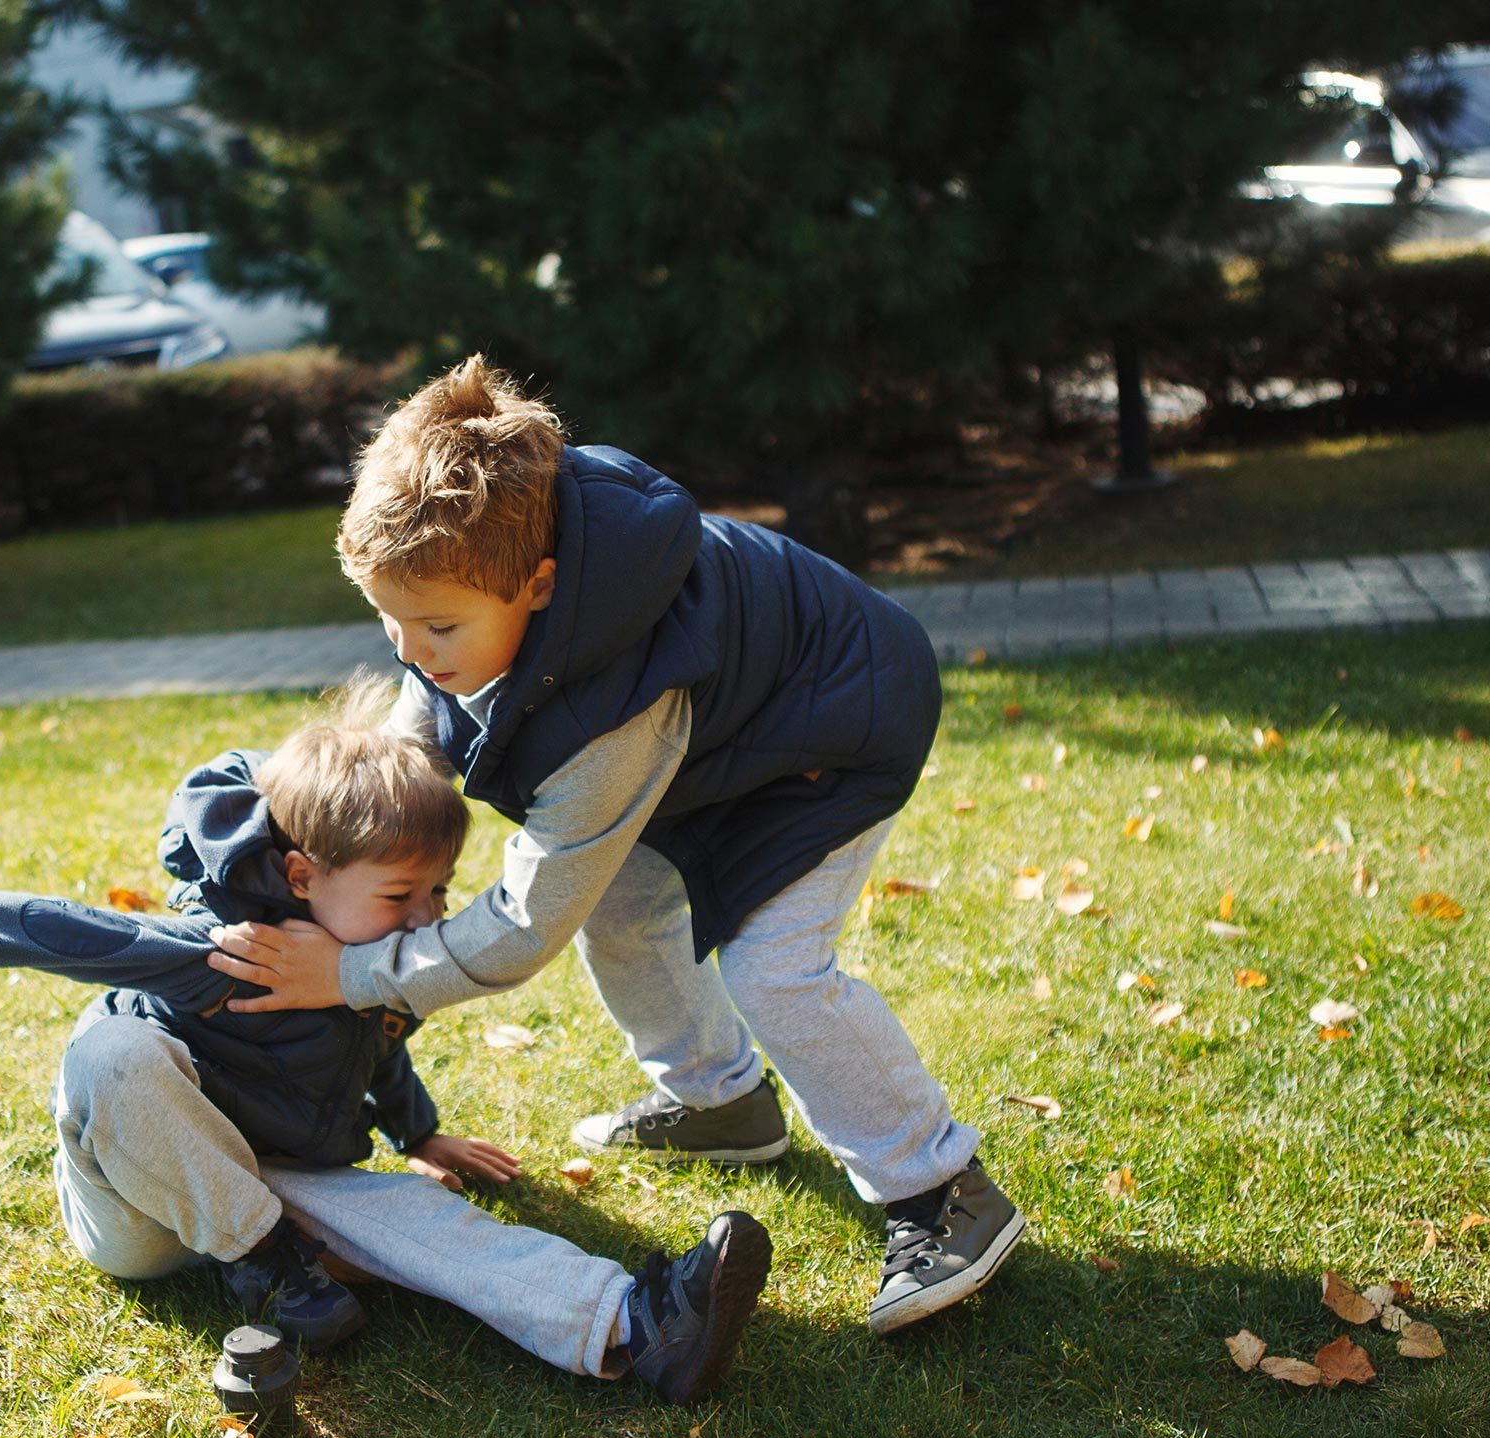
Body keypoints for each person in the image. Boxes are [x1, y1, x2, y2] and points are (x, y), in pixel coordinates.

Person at [203, 358, 1023, 1336]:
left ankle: (942, 1188)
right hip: (718, 747)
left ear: (538, 588)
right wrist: (286, 826)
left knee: (774, 971)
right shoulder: (491, 589)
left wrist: (352, 974)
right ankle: (722, 1102)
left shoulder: (615, 712)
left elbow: (522, 927)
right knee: (624, 910)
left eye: (438, 624)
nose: (411, 651)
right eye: (390, 621)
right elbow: (409, 749)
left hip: (831, 733)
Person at [0, 690, 770, 1403]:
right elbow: (52, 928)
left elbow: (372, 1047)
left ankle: (637, 1327)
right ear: (305, 876)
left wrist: (423, 1132)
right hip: (143, 1205)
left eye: (439, 894)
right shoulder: (224, 948)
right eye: (402, 895)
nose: (426, 918)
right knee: (108, 1055)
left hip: (267, 1188)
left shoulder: (376, 962)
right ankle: (274, 1263)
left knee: (418, 1218)